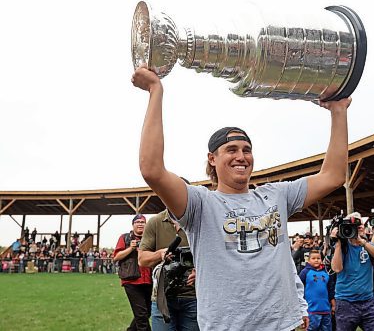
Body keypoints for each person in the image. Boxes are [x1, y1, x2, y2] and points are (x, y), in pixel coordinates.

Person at [132, 66, 350, 331]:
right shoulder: (200, 205)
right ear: (212, 159)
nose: (241, 156)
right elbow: (152, 170)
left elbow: (333, 175)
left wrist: (338, 111)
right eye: (231, 150)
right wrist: (156, 91)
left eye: (247, 150)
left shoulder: (276, 196)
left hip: (283, 325)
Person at [138, 209, 199, 331]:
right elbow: (142, 259)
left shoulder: (197, 222)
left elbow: (214, 255)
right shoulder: (155, 222)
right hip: (162, 298)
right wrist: (160, 254)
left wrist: (200, 271)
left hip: (193, 297)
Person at [331, 212, 374, 331]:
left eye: (359, 224)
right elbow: (336, 269)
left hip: (368, 301)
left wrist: (363, 242)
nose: (357, 227)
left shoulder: (367, 245)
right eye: (353, 225)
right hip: (346, 301)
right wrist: (338, 243)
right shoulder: (342, 247)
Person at [113, 214, 153, 331]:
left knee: (147, 312)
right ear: (133, 224)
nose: (140, 224)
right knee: (141, 315)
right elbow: (116, 257)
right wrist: (130, 248)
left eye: (142, 222)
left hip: (148, 280)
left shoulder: (150, 238)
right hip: (131, 280)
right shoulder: (125, 238)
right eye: (137, 222)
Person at [299, 249, 335, 331]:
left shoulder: (326, 273)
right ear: (308, 260)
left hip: (326, 310)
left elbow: (330, 290)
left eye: (318, 258)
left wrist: (333, 305)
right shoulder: (305, 272)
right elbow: (299, 290)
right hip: (311, 311)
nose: (316, 260)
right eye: (313, 258)